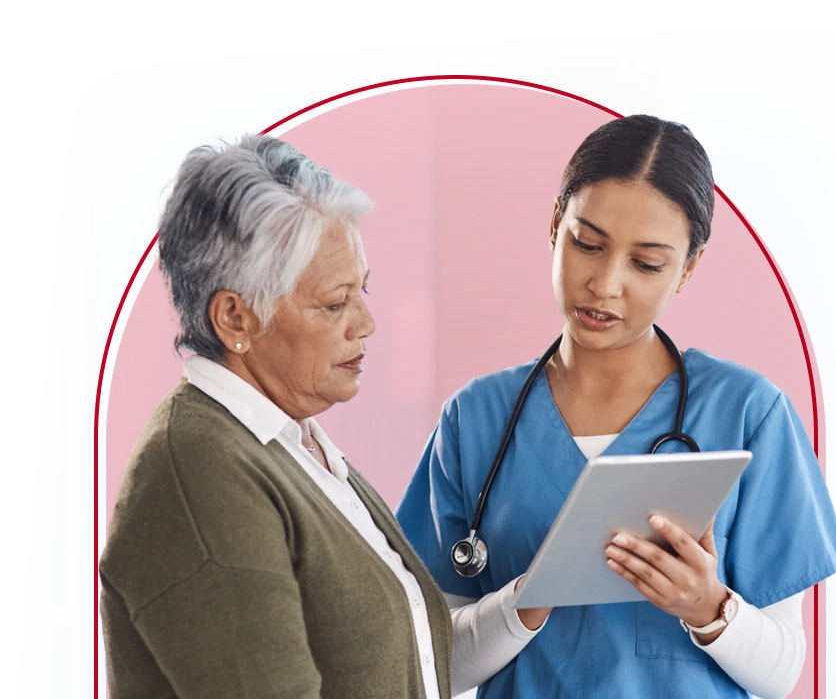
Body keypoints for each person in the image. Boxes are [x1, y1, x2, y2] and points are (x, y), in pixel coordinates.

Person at [396, 114, 836, 699]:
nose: (605, 284)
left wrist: (707, 606)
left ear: (687, 269)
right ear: (555, 225)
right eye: (587, 244)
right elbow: (431, 663)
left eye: (646, 264)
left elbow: (785, 670)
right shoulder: (476, 418)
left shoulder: (748, 414)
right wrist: (523, 604)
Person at [99, 134, 540, 699]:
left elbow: (404, 666)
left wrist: (530, 598)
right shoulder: (199, 471)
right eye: (335, 303)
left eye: (364, 290)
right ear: (235, 318)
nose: (366, 324)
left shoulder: (295, 444)